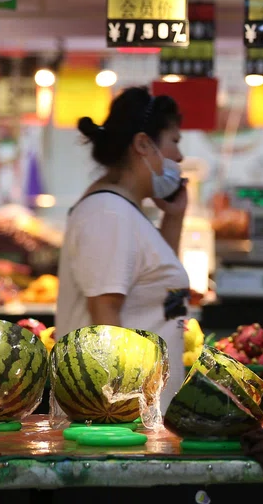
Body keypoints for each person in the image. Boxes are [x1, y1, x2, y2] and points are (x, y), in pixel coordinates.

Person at [56, 86, 189, 412]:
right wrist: (119, 418)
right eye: (175, 141)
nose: (180, 157)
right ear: (143, 144)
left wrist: (174, 217)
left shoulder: (124, 212)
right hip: (121, 424)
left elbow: (158, 287)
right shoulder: (108, 214)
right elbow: (105, 323)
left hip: (139, 418)